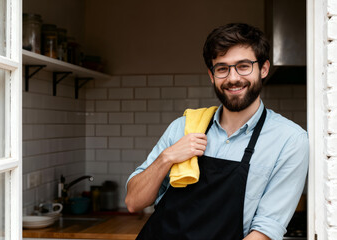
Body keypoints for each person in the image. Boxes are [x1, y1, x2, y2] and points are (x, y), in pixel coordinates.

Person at [125, 23, 309, 240]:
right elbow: (133, 202)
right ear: (212, 75)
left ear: (264, 68)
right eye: (222, 68)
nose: (232, 78)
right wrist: (167, 157)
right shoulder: (184, 126)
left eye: (243, 66)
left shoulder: (290, 140)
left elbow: (265, 231)